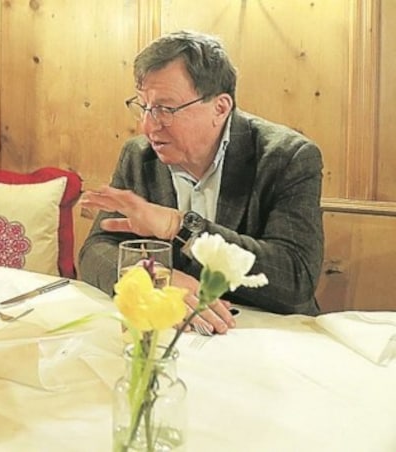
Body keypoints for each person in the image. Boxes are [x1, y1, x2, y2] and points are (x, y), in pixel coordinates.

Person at [79, 30, 324, 334]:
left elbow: (295, 277)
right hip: (175, 334)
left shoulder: (287, 157)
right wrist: (151, 277)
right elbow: (94, 251)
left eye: (165, 109)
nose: (147, 126)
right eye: (144, 107)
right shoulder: (139, 155)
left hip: (264, 335)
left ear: (220, 108)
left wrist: (180, 228)